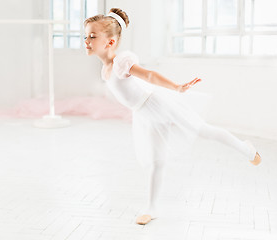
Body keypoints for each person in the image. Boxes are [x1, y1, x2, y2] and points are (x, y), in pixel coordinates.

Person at [83, 8, 261, 225]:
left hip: (158, 105)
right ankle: (152, 208)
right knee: (157, 161)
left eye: (92, 36)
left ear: (110, 42)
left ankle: (246, 149)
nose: (87, 41)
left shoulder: (122, 62)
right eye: (86, 36)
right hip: (145, 115)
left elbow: (149, 75)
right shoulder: (105, 70)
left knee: (204, 130)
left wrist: (176, 87)